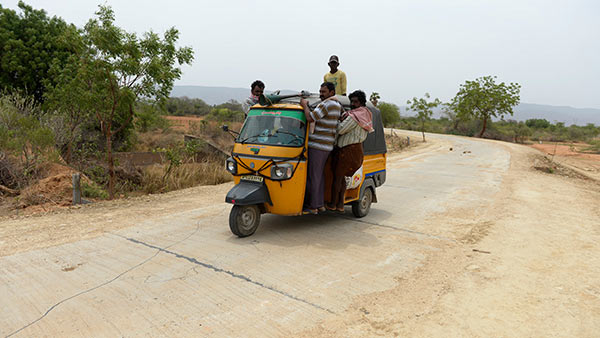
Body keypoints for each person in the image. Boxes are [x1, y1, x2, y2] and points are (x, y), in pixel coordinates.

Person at [327, 90, 373, 212]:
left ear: (362, 103)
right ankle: (340, 204)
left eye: (355, 102)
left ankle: (333, 203)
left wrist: (334, 120)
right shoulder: (363, 114)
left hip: (348, 151)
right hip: (354, 150)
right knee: (341, 178)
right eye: (351, 101)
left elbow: (341, 129)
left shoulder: (355, 117)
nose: (353, 104)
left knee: (337, 178)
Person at [299, 82, 342, 214]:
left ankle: (313, 206)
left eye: (324, 92)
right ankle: (319, 204)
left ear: (332, 92)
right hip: (327, 145)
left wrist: (305, 105)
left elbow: (310, 117)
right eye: (320, 91)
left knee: (313, 176)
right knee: (319, 175)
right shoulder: (337, 105)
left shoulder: (326, 104)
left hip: (317, 145)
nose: (321, 94)